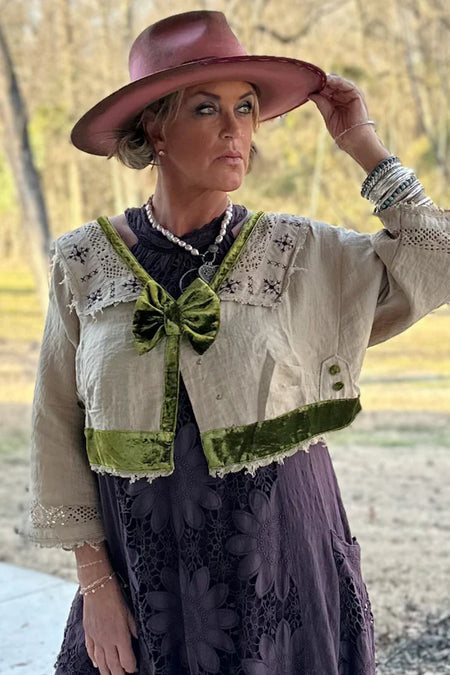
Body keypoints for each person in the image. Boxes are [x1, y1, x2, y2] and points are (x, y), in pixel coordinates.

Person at [24, 10, 449, 675]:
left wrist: (361, 142)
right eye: (206, 108)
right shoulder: (83, 264)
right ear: (155, 129)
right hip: (143, 579)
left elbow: (438, 256)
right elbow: (56, 425)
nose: (235, 129)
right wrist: (96, 585)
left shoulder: (300, 254)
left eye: (246, 108)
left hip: (282, 573)